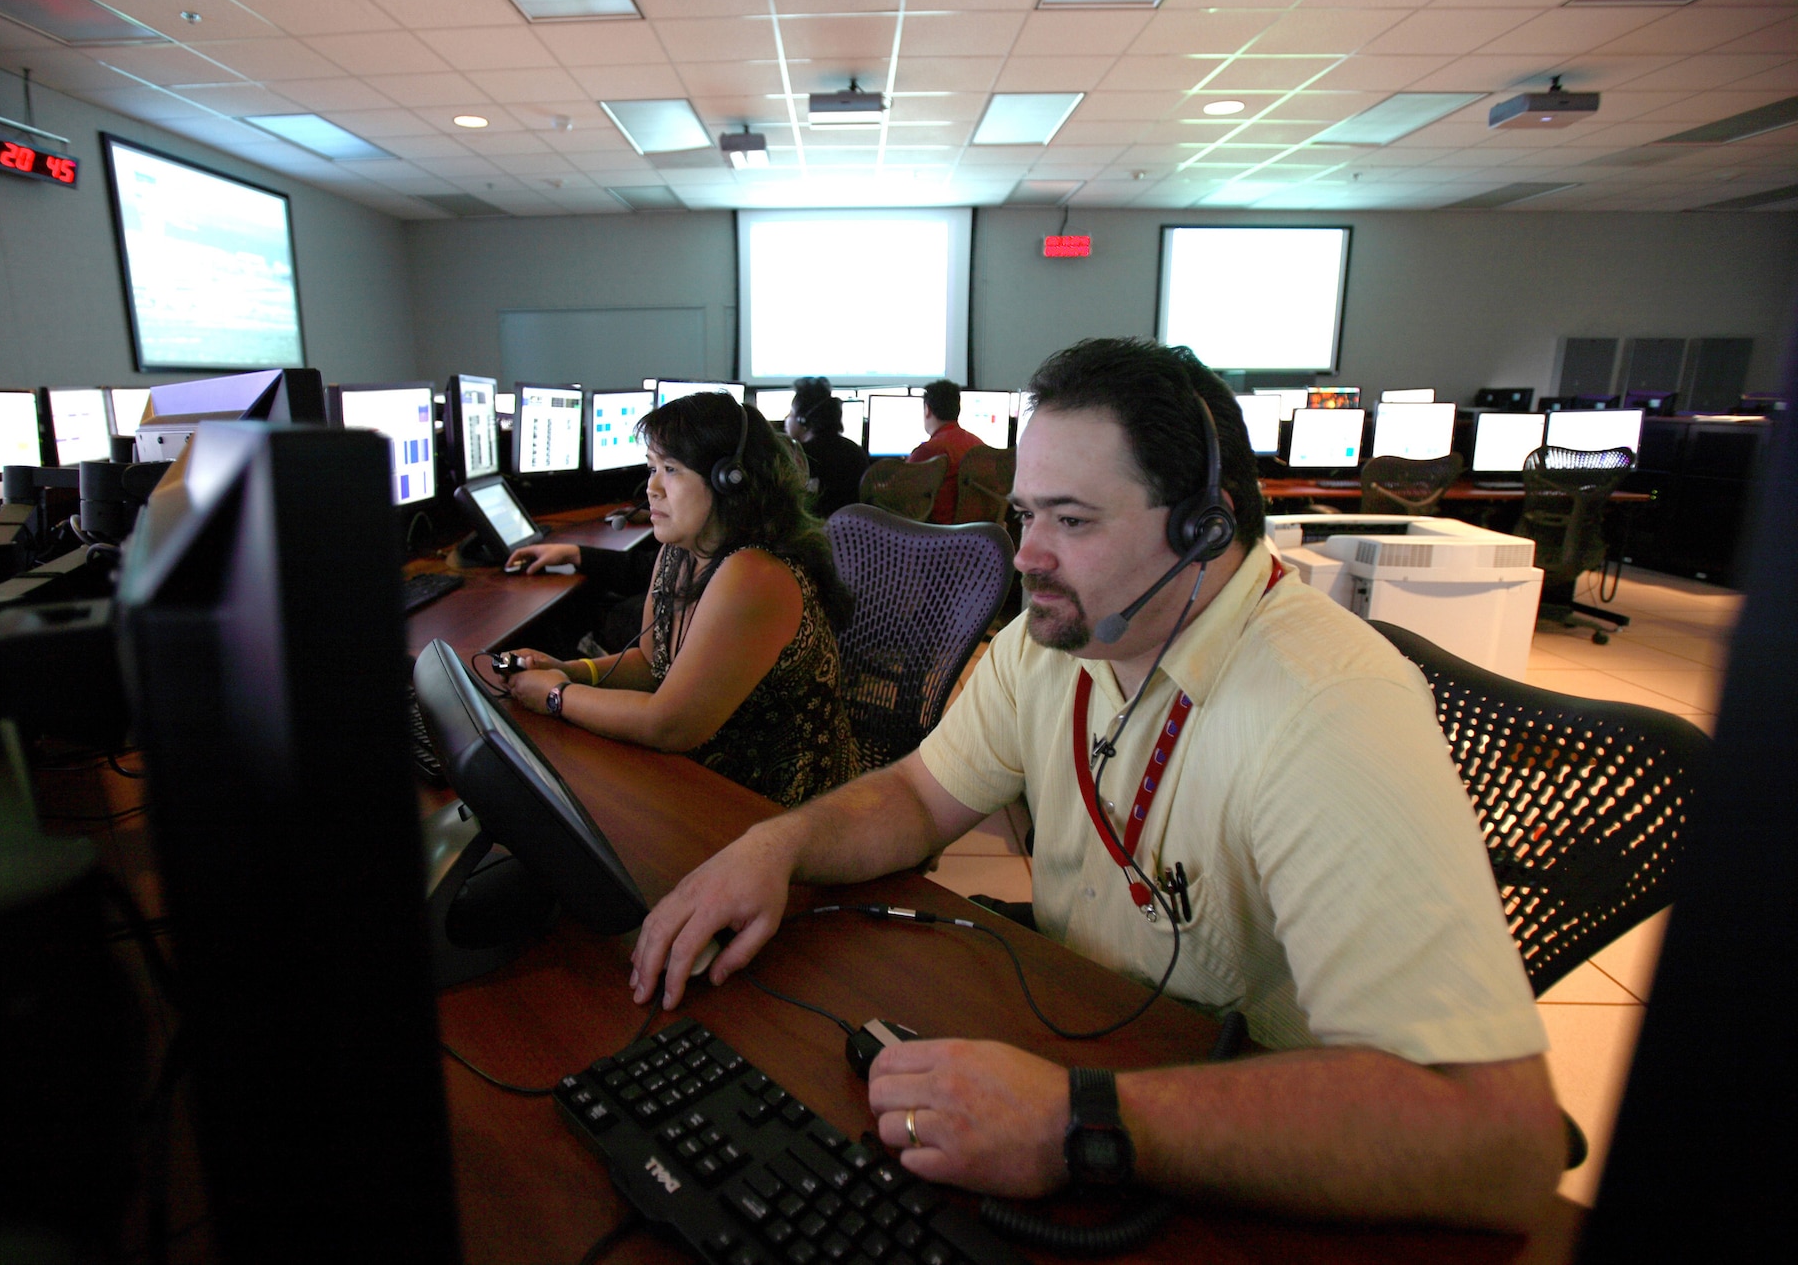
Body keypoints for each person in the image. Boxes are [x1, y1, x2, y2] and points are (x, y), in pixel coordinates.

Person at [627, 340, 1564, 1230]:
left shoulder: (1329, 709)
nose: (1026, 554)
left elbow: (1497, 1138)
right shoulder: (1058, 642)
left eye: (1071, 521)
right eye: (1026, 514)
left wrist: (1079, 1122)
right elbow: (915, 796)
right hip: (1091, 1035)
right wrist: (778, 843)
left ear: (1203, 527)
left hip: (1258, 1143)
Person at [498, 393, 862, 809]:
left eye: (670, 470)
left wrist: (557, 695)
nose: (651, 488)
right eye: (652, 468)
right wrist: (570, 670)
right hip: (712, 773)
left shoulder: (755, 575)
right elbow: (650, 664)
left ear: (730, 479)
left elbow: (669, 726)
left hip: (783, 805)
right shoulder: (681, 552)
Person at [783, 378, 868, 519]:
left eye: (791, 413)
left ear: (802, 420)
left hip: (813, 531)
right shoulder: (856, 452)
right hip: (852, 532)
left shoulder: (799, 458)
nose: (786, 418)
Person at [906, 379, 984, 524]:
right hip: (977, 533)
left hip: (936, 533)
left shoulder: (928, 451)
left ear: (927, 410)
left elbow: (900, 496)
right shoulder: (978, 445)